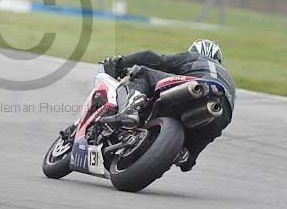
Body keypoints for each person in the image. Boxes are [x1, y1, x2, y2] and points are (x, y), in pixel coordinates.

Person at [100, 39, 235, 172]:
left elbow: (151, 57)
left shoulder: (193, 57)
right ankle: (184, 154)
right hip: (222, 112)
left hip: (196, 86)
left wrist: (120, 62)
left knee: (143, 73)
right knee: (191, 154)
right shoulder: (227, 77)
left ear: (194, 50)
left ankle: (130, 110)